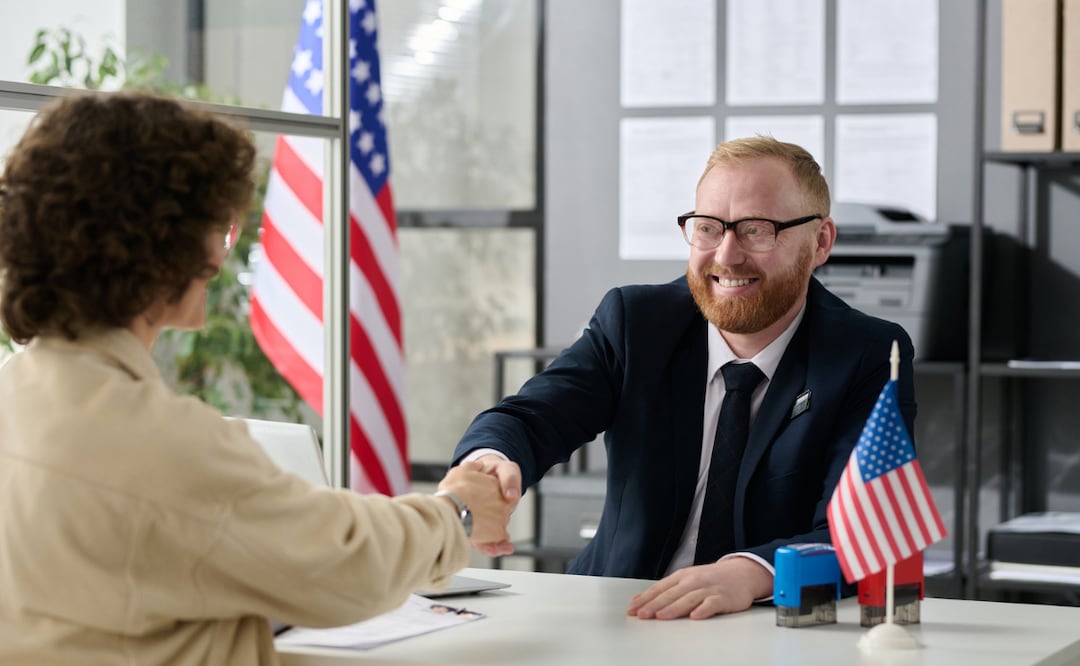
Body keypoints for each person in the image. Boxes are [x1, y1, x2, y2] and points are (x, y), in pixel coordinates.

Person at [0, 92, 513, 665]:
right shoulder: (153, 441)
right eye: (215, 223)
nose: (225, 245)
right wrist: (455, 512)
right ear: (162, 245)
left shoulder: (17, 395)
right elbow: (344, 566)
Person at [452, 136, 916, 620]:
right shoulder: (637, 322)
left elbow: (863, 529)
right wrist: (493, 462)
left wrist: (752, 572)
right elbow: (534, 417)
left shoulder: (866, 355)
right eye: (708, 228)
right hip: (616, 615)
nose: (727, 255)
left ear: (820, 241)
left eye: (757, 230)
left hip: (764, 626)